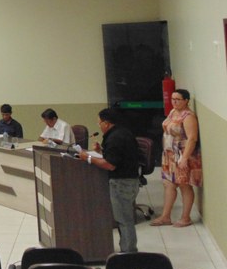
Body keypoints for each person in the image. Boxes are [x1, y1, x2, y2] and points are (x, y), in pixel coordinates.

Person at [78, 108, 139, 252]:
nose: (99, 126)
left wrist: (88, 157)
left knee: (124, 220)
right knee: (124, 218)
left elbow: (110, 165)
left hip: (122, 183)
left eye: (99, 123)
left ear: (106, 123)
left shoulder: (115, 138)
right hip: (128, 180)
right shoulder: (121, 132)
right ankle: (127, 249)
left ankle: (129, 252)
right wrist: (101, 151)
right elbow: (117, 156)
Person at [151, 89, 202, 227]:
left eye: (178, 99)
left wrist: (184, 158)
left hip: (182, 155)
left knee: (184, 185)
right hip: (169, 154)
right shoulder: (173, 111)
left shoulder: (188, 116)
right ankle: (165, 216)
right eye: (173, 99)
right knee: (168, 184)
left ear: (186, 101)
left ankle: (186, 217)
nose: (174, 101)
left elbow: (192, 138)